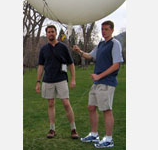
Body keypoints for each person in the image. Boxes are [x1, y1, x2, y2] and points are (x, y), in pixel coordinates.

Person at [73, 20, 123, 148]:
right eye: (102, 29)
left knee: (106, 110)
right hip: (97, 82)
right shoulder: (101, 44)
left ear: (112, 30)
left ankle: (108, 139)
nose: (104, 31)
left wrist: (99, 75)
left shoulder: (115, 43)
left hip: (107, 82)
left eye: (106, 29)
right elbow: (90, 56)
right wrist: (79, 51)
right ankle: (94, 134)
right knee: (91, 107)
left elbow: (116, 65)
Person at [36, 24, 79, 139]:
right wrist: (38, 81)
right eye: (48, 32)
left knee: (66, 103)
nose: (51, 33)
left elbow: (71, 64)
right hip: (48, 80)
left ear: (56, 33)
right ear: (46, 34)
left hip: (61, 79)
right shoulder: (43, 49)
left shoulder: (63, 47)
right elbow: (40, 66)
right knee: (50, 103)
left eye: (52, 31)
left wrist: (73, 79)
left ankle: (73, 129)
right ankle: (52, 129)